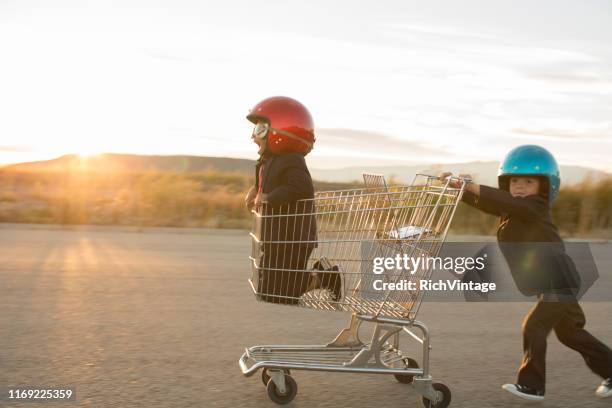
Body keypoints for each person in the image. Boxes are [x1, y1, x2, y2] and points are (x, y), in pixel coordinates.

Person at [440, 144, 612, 401]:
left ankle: (532, 386)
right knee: (570, 334)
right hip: (555, 283)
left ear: (544, 187)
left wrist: (471, 184)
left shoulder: (535, 207)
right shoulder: (511, 209)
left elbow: (502, 200)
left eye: (528, 181)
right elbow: (490, 203)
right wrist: (461, 190)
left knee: (533, 327)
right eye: (514, 181)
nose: (520, 186)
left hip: (559, 283)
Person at [244, 96, 341, 305]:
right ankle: (321, 275)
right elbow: (263, 185)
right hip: (274, 236)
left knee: (281, 293)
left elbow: (301, 187)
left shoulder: (292, 160)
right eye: (255, 130)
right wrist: (255, 192)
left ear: (281, 133)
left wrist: (269, 197)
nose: (254, 137)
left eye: (260, 130)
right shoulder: (266, 162)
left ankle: (324, 278)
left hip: (292, 237)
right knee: (268, 291)